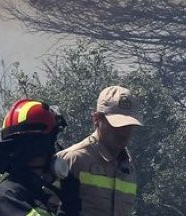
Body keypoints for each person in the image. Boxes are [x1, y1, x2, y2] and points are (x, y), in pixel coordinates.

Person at [0, 98, 70, 216]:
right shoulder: (9, 198)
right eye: (53, 144)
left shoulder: (31, 192)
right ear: (40, 148)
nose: (56, 151)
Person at [55, 86, 143, 216]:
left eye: (129, 125)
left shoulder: (128, 169)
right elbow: (46, 207)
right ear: (96, 119)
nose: (123, 131)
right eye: (117, 124)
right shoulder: (72, 159)